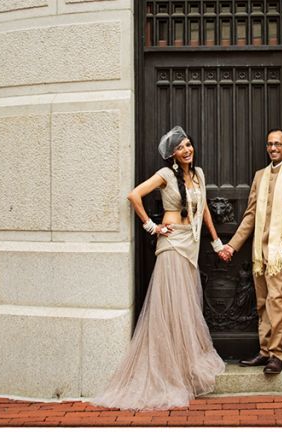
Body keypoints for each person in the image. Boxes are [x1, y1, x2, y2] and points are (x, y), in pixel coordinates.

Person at [91, 126, 226, 410]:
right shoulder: (166, 175)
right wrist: (152, 226)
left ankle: (183, 366)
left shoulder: (198, 174)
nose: (187, 150)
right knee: (170, 308)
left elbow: (204, 211)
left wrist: (216, 242)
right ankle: (168, 371)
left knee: (185, 309)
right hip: (171, 244)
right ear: (173, 154)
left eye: (188, 144)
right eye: (181, 148)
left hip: (190, 245)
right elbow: (134, 195)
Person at [219, 128, 282, 375]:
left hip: (280, 251)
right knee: (261, 303)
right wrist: (232, 245)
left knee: (275, 300)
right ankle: (264, 351)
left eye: (278, 144)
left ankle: (277, 355)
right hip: (259, 250)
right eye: (269, 144)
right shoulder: (260, 176)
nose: (273, 148)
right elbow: (249, 216)